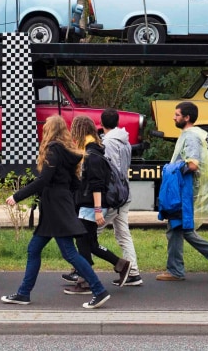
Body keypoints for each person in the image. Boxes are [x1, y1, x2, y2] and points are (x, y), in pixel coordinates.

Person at [1, 116, 110, 309]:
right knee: (34, 249)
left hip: (55, 209)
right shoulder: (68, 152)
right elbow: (75, 184)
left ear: (49, 130)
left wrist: (17, 196)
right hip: (57, 207)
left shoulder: (53, 151)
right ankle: (23, 293)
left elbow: (43, 180)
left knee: (69, 253)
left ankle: (99, 289)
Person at [156, 101, 208, 282]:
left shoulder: (191, 136)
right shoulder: (187, 135)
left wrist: (173, 172)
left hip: (183, 189)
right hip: (181, 188)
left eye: (177, 114)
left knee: (176, 227)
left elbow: (193, 164)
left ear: (187, 118)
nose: (174, 117)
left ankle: (176, 270)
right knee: (180, 228)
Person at [63, 115, 131, 295]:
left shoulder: (92, 155)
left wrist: (98, 210)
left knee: (84, 243)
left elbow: (96, 185)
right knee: (90, 243)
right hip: (88, 205)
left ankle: (85, 282)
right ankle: (120, 264)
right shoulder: (94, 150)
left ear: (79, 131)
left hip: (90, 207)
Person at [99, 108, 142, 286]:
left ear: (101, 124)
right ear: (117, 122)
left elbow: (110, 169)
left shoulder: (108, 142)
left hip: (114, 195)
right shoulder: (124, 140)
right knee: (123, 233)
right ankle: (133, 272)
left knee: (90, 232)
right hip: (125, 191)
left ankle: (80, 270)